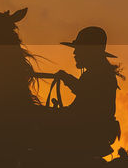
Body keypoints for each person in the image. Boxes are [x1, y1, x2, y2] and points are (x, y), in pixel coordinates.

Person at [50, 26, 123, 158]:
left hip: (86, 130)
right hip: (92, 129)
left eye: (78, 49)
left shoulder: (99, 74)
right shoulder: (101, 72)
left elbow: (82, 91)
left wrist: (65, 77)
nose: (74, 53)